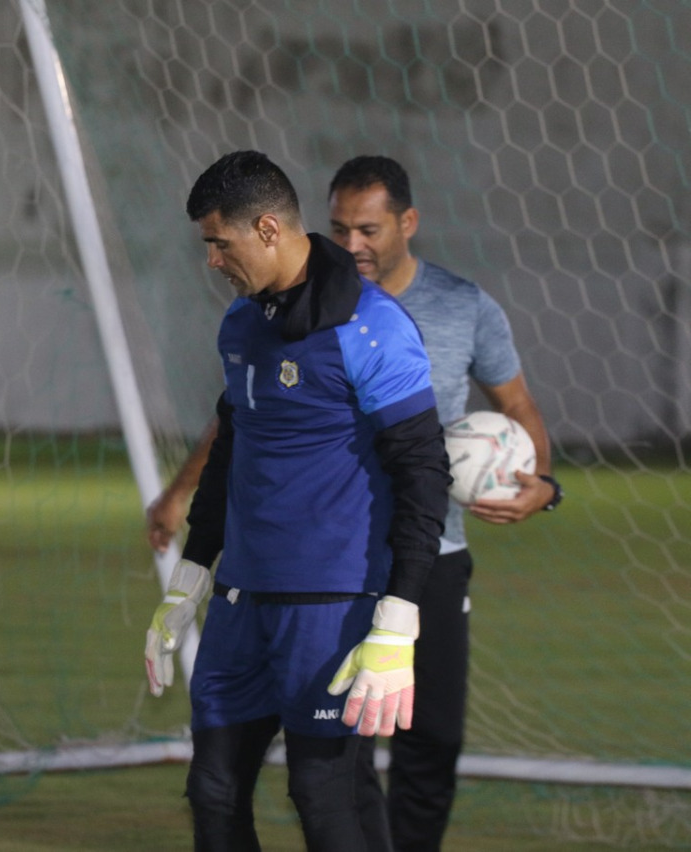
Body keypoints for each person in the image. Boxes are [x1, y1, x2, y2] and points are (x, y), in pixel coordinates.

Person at [147, 154, 561, 852]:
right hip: (240, 602)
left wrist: (396, 618)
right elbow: (230, 452)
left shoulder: (373, 327)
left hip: (331, 607)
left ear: (268, 229)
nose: (212, 260)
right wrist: (192, 573)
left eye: (219, 242)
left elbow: (423, 472)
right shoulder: (241, 324)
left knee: (323, 793)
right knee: (213, 789)